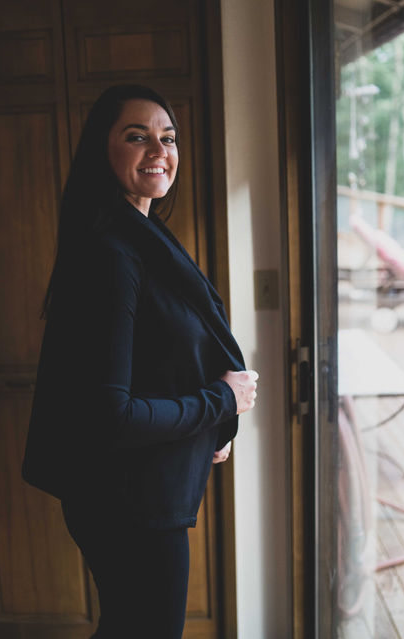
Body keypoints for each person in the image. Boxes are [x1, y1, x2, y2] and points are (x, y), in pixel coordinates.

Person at [22, 84, 258, 639]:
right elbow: (112, 414)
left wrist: (212, 426)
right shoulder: (113, 253)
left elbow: (155, 360)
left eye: (168, 138)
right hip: (128, 506)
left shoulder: (141, 236)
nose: (159, 151)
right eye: (137, 137)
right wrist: (220, 402)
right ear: (102, 150)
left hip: (137, 492)